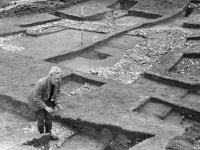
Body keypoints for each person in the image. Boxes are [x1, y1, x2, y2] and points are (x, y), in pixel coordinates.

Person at [28, 66, 63, 141]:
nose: (57, 80)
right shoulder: (41, 82)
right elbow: (36, 98)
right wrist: (46, 107)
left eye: (58, 78)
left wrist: (58, 103)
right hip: (37, 101)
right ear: (50, 76)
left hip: (49, 100)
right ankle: (42, 136)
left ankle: (48, 134)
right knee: (41, 118)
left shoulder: (59, 81)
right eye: (55, 78)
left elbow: (58, 92)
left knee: (49, 117)